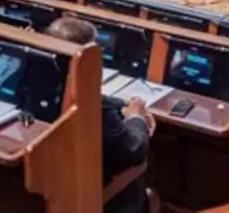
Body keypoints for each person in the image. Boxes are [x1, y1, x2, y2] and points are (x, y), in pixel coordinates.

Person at [44, 17, 154, 213]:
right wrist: (135, 117)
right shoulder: (93, 106)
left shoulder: (42, 87)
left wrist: (120, 106)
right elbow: (133, 150)